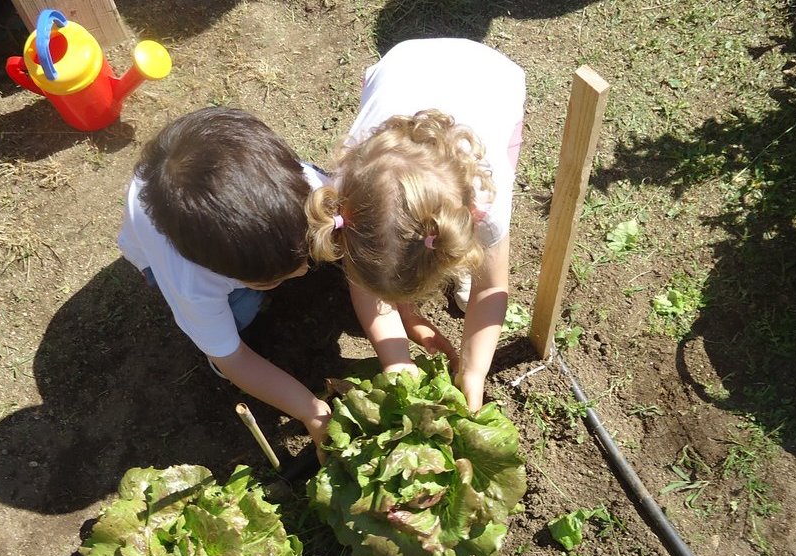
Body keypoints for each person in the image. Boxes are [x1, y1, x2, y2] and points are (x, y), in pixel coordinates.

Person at [306, 38, 526, 411]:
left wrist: (473, 372)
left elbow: (491, 289)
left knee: (483, 265)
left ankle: (465, 262)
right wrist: (396, 357)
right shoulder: (349, 190)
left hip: (493, 82)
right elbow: (363, 279)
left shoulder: (488, 202)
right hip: (401, 68)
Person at [118, 107, 332, 447]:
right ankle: (235, 311)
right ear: (220, 272)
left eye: (303, 257)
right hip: (153, 255)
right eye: (272, 279)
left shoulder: (312, 188)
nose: (306, 270)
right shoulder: (193, 283)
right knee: (240, 312)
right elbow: (233, 360)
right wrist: (310, 410)